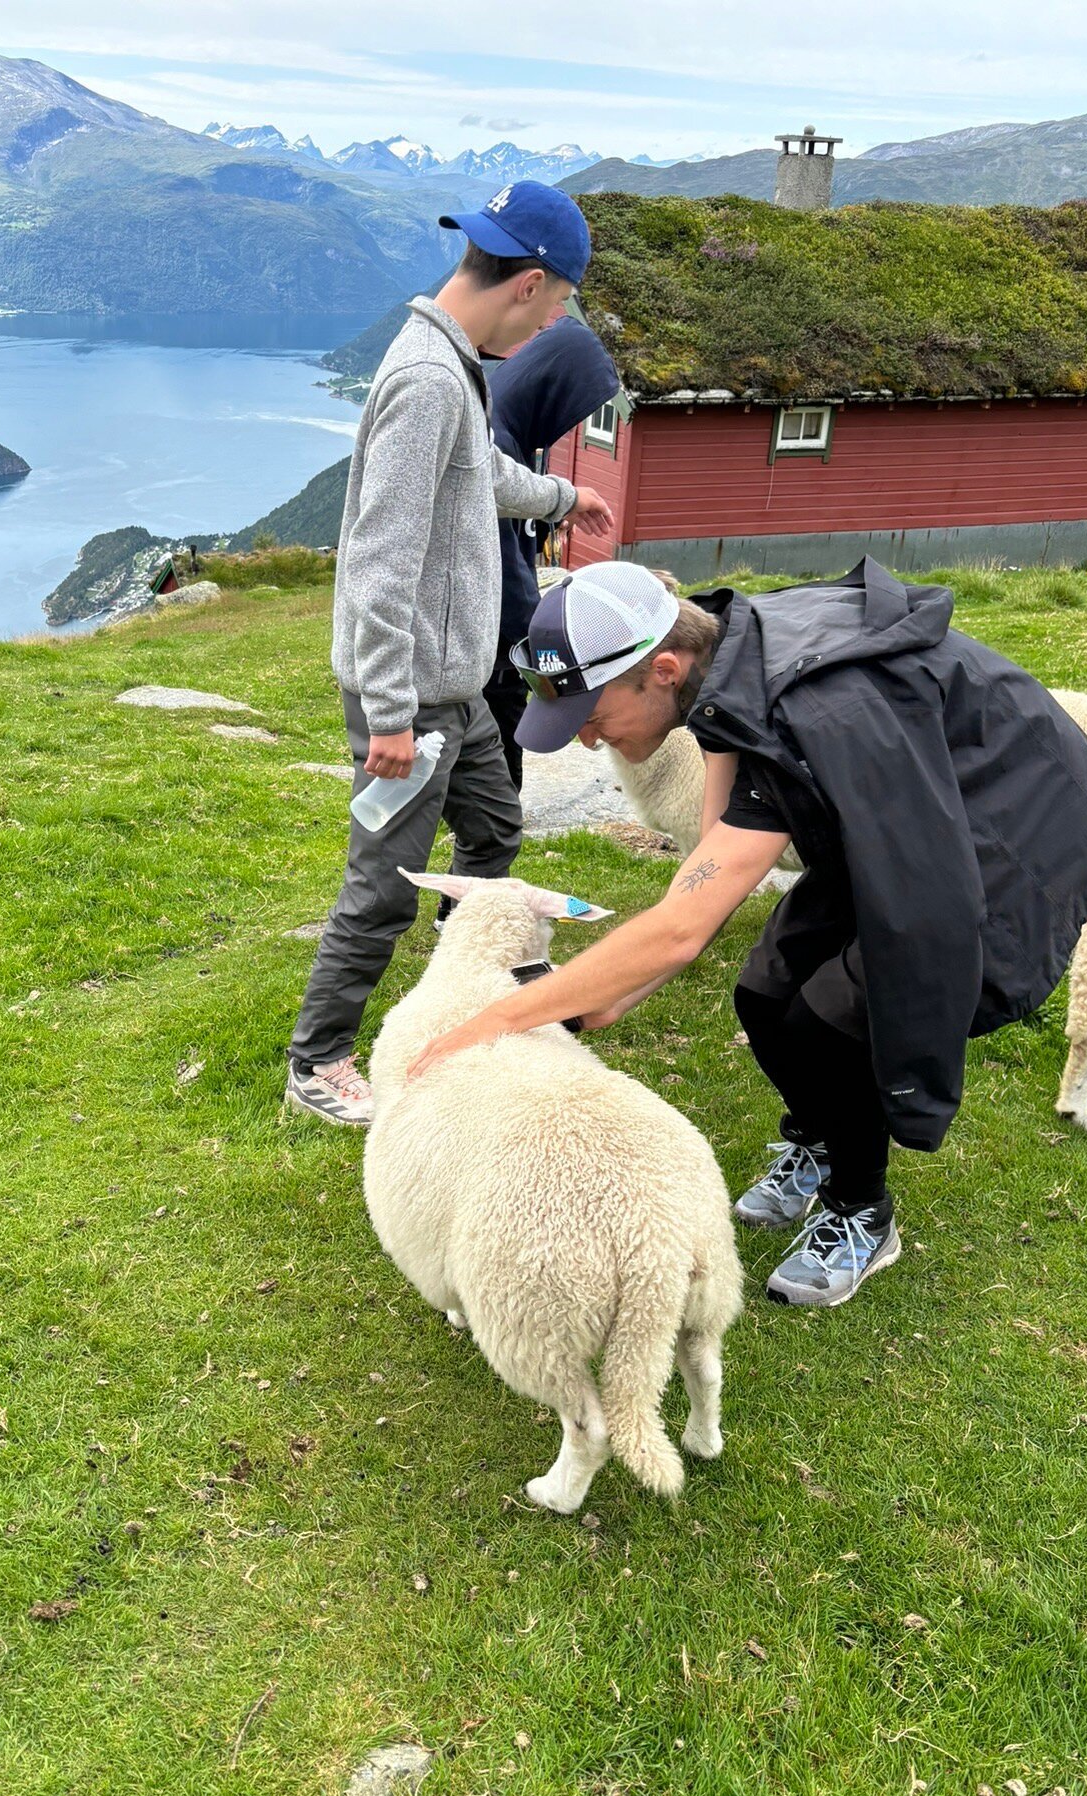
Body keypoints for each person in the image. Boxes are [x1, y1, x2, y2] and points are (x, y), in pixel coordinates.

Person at [409, 557, 1087, 1306]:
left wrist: (497, 1020)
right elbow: (703, 880)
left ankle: (862, 1212)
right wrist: (623, 989)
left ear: (662, 669)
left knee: (837, 1019)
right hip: (904, 811)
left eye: (593, 718)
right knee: (766, 993)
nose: (585, 742)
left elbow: (682, 928)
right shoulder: (719, 662)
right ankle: (821, 1141)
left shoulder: (813, 706)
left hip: (1005, 838)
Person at [284, 182, 614, 1125]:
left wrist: (562, 502)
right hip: (414, 700)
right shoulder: (430, 382)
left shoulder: (453, 361)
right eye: (558, 307)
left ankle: (478, 978)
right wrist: (388, 714)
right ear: (532, 284)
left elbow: (481, 479)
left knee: (496, 830)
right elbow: (379, 561)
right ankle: (318, 1061)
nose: (555, 321)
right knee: (383, 885)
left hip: (458, 689)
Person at [484, 317, 619, 790]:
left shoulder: (506, 423)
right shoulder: (498, 440)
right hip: (491, 650)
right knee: (498, 757)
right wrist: (547, 650)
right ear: (550, 392)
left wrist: (546, 518)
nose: (569, 424)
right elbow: (501, 571)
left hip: (484, 640)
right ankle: (494, 825)